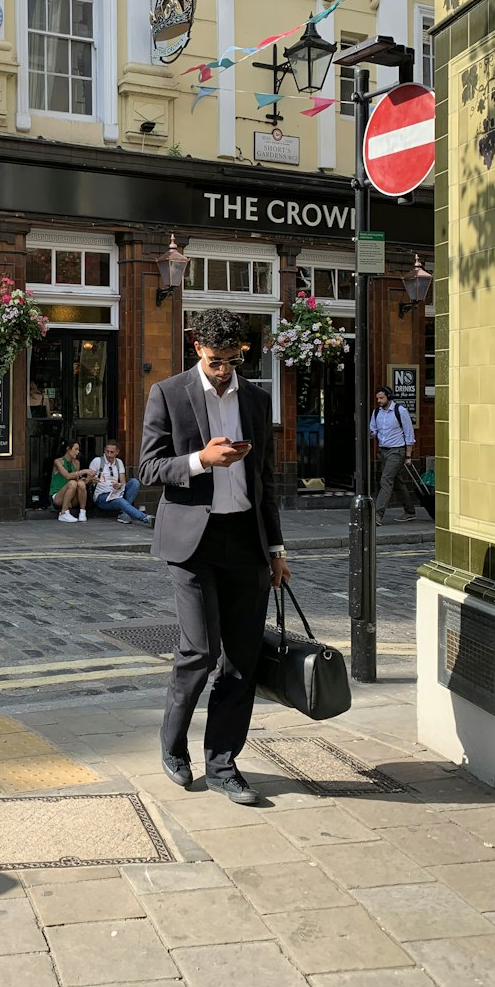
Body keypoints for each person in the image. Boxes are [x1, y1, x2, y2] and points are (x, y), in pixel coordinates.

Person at [139, 308, 289, 806]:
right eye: (214, 360)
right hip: (192, 544)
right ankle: (173, 744)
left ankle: (223, 763)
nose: (223, 370)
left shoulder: (258, 398)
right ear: (196, 347)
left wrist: (277, 550)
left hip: (246, 542)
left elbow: (264, 483)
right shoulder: (168, 393)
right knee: (199, 652)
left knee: (242, 659)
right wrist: (201, 460)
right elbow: (149, 468)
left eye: (231, 360)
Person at [370, 385, 417, 526]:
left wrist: (408, 456)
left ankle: (377, 515)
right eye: (377, 398)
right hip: (383, 451)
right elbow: (373, 430)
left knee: (385, 480)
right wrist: (371, 434)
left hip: (397, 451)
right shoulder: (376, 412)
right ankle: (410, 511)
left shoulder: (400, 411)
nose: (379, 400)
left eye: (381, 398)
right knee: (397, 481)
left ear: (389, 397)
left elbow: (409, 434)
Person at [88, 439, 153, 526]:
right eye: (107, 451)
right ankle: (145, 518)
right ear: (104, 450)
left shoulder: (119, 462)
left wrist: (119, 485)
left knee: (134, 482)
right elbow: (87, 480)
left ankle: (124, 514)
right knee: (119, 501)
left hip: (116, 492)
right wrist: (93, 479)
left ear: (117, 452)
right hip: (102, 496)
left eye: (112, 452)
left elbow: (123, 482)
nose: (109, 454)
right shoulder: (97, 461)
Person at [50, 440, 93, 523]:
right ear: (68, 449)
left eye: (78, 450)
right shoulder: (58, 461)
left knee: (80, 483)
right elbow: (67, 476)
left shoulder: (76, 463)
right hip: (58, 497)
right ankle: (63, 513)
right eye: (76, 449)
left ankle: (82, 512)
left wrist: (87, 480)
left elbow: (76, 480)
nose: (78, 452)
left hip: (71, 497)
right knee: (72, 483)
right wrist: (83, 471)